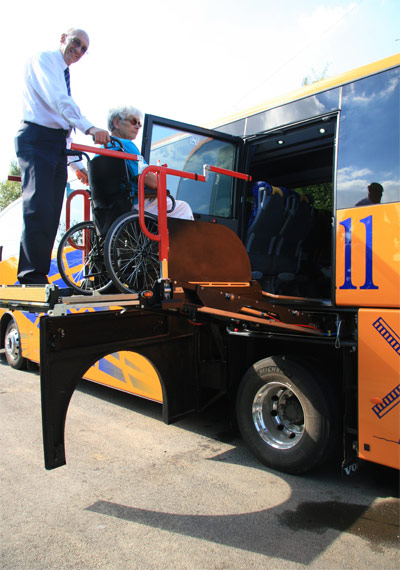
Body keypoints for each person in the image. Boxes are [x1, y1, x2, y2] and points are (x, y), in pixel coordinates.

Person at [15, 28, 111, 285]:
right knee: (38, 206)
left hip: (55, 143)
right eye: (76, 43)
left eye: (83, 49)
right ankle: (30, 275)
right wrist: (90, 127)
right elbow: (59, 102)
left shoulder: (62, 72)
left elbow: (62, 123)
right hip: (37, 139)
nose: (78, 51)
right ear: (62, 38)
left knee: (51, 210)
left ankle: (37, 272)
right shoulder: (45, 60)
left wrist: (76, 165)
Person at [107, 105, 194, 220]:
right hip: (134, 204)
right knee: (183, 207)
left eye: (140, 124)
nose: (138, 126)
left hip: (110, 209)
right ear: (117, 123)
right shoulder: (125, 145)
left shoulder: (101, 150)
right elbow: (152, 182)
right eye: (133, 121)